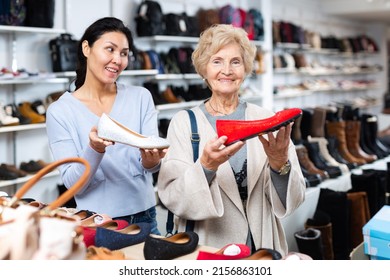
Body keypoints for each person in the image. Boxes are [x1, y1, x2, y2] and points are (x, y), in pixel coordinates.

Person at [157, 24, 306, 256]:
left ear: (245, 68)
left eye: (235, 62)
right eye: (217, 61)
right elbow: (173, 197)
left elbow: (296, 199)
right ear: (203, 69)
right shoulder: (185, 123)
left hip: (263, 246)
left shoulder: (266, 119)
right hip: (211, 246)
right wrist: (206, 167)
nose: (226, 70)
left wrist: (279, 165)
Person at [46, 17, 166, 235]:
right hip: (97, 222)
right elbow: (73, 185)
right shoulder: (60, 111)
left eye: (123, 53)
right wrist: (95, 149)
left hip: (146, 217)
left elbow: (150, 166)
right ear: (86, 48)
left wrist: (152, 161)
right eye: (109, 49)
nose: (117, 60)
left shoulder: (141, 97)